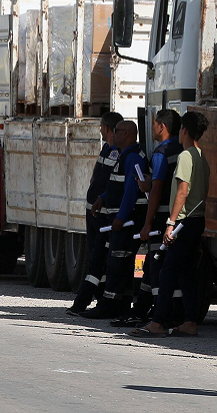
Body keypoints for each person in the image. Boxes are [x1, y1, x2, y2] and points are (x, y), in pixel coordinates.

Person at [131, 111, 211, 338]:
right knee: (187, 272)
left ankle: (158, 322)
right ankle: (189, 321)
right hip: (197, 220)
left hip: (184, 222)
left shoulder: (186, 156)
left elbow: (182, 191)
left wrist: (170, 223)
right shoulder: (201, 156)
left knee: (167, 271)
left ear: (184, 130)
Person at [116, 109, 183, 328]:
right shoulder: (181, 150)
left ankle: (160, 316)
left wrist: (147, 223)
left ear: (162, 127)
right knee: (163, 267)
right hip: (179, 218)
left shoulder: (161, 153)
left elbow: (157, 190)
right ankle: (149, 311)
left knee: (156, 267)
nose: (152, 128)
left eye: (154, 124)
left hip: (162, 218)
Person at [68, 111, 123, 317]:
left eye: (101, 126)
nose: (100, 130)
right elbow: (96, 176)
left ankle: (82, 302)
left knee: (97, 259)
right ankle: (100, 299)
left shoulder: (118, 153)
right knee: (94, 254)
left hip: (103, 214)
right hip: (93, 211)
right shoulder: (106, 148)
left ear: (107, 128)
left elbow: (113, 184)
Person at [92, 120, 149, 318]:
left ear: (125, 134)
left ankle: (110, 306)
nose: (113, 134)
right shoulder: (123, 156)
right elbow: (116, 185)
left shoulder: (133, 158)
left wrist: (121, 217)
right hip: (119, 220)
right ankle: (120, 306)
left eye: (116, 131)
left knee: (118, 264)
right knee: (118, 262)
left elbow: (131, 192)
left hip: (126, 223)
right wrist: (102, 198)